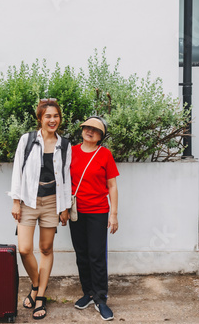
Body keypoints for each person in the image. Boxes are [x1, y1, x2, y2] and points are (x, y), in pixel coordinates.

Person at [8, 98, 71, 320]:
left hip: (53, 202)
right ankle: (36, 284)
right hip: (28, 200)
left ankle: (40, 295)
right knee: (24, 249)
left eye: (56, 116)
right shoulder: (27, 140)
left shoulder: (65, 145)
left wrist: (65, 207)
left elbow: (66, 176)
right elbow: (17, 169)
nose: (52, 120)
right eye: (48, 116)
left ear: (59, 119)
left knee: (45, 248)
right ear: (40, 118)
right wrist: (16, 200)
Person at [69, 116, 119, 321]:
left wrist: (114, 214)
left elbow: (112, 186)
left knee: (96, 255)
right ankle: (88, 293)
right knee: (81, 254)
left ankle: (101, 299)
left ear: (101, 136)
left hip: (98, 211)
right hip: (75, 212)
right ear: (82, 130)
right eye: (87, 127)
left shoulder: (105, 154)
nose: (90, 131)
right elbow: (63, 182)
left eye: (95, 130)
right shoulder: (70, 152)